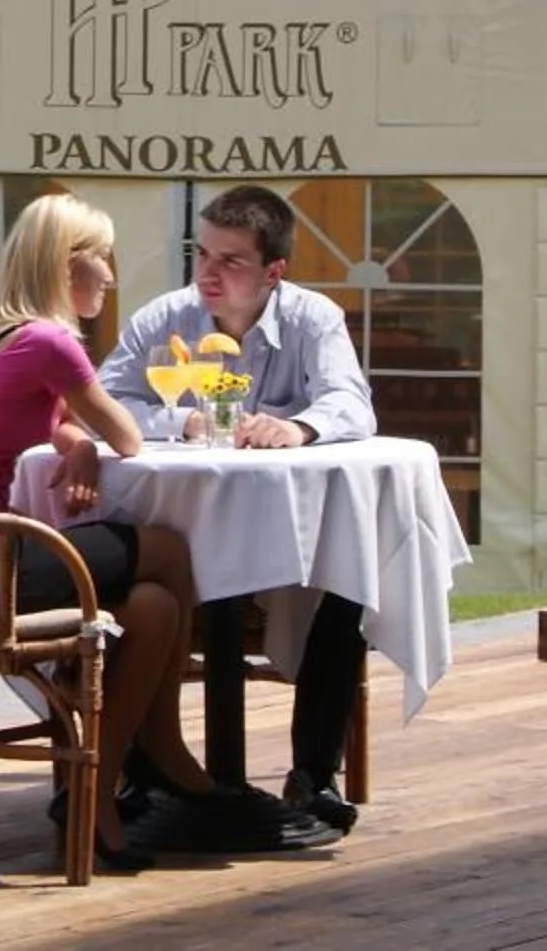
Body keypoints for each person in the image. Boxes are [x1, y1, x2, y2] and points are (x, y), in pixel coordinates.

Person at [0, 192, 221, 868]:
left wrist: (77, 445)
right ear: (67, 265)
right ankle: (153, 753)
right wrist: (94, 442)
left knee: (154, 604)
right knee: (167, 547)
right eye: (101, 258)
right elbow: (129, 436)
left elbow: (59, 425)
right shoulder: (48, 341)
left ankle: (103, 781)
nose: (109, 274)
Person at [98, 182, 374, 838]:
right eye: (203, 255)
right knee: (134, 583)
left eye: (231, 261)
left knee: (350, 582)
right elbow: (106, 402)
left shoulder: (312, 319)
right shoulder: (165, 318)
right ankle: (143, 769)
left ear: (274, 272)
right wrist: (182, 419)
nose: (209, 275)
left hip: (283, 539)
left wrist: (300, 428)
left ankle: (313, 772)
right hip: (181, 537)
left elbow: (351, 404)